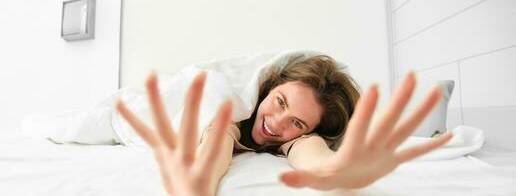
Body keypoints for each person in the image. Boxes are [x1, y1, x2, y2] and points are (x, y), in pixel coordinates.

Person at [116, 55, 452, 196]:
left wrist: (332, 170)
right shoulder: (234, 103)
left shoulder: (303, 137)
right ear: (271, 86)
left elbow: (309, 150)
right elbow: (217, 140)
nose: (275, 125)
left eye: (297, 122)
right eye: (280, 102)